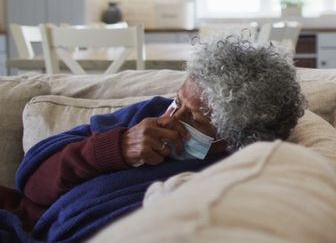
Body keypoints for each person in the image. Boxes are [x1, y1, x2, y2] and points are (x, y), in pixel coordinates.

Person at [0, 35, 306, 242]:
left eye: (194, 118)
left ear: (235, 136)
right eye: (178, 100)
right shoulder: (149, 114)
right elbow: (33, 184)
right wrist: (114, 148)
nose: (170, 118)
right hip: (19, 217)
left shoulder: (225, 179)